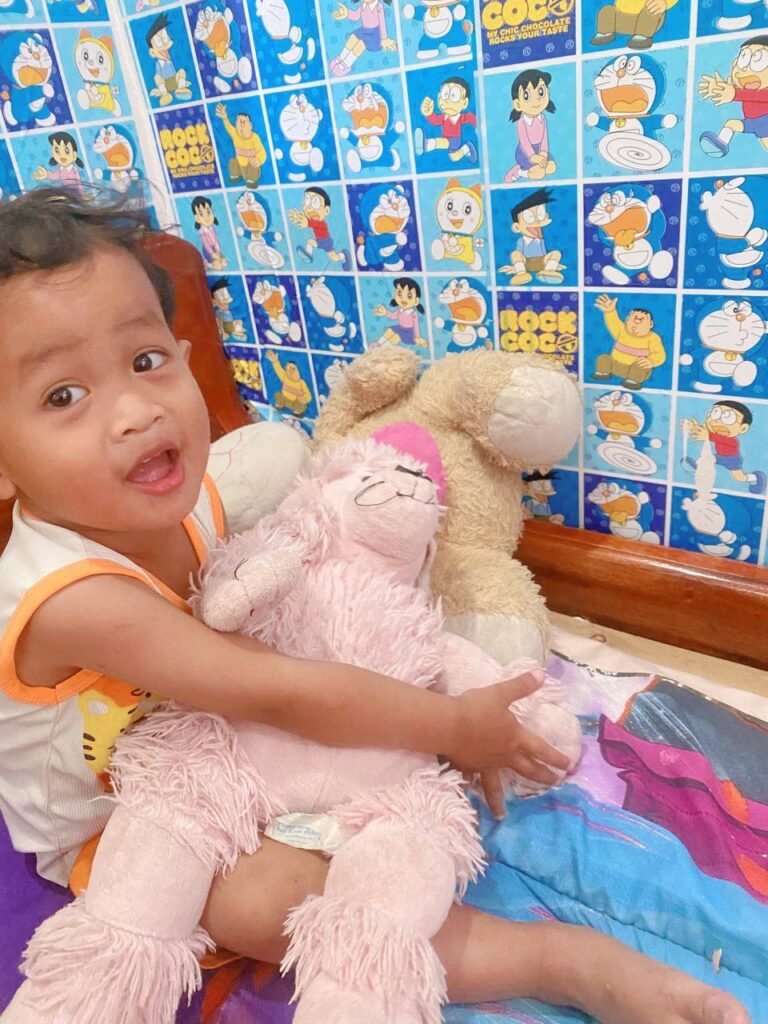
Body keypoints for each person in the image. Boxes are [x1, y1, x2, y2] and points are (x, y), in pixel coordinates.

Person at [0, 188, 748, 1024]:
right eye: (64, 397)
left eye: (145, 363)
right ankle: (560, 959)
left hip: (228, 747)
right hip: (122, 817)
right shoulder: (72, 597)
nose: (135, 412)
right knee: (266, 902)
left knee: (386, 813)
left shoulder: (182, 500)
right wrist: (454, 725)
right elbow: (279, 686)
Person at [683, 401, 766, 495]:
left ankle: (756, 477)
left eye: (727, 417)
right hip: (719, 456)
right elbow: (708, 432)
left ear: (743, 428)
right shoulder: (714, 433)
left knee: (739, 477)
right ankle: (698, 467)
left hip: (732, 460)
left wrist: (708, 436)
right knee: (707, 458)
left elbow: (718, 438)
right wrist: (693, 427)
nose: (717, 421)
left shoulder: (733, 441)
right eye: (715, 413)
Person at [592, 294, 666, 390]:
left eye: (642, 320)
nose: (637, 322)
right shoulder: (621, 330)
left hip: (635, 370)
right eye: (634, 318)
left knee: (641, 367)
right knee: (604, 358)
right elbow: (613, 322)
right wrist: (610, 311)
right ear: (627, 320)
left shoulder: (653, 338)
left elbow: (660, 354)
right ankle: (603, 373)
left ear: (650, 324)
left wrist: (651, 361)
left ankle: (633, 381)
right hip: (615, 365)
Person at [505, 69, 557, 184]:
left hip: (540, 150)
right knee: (539, 174)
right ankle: (519, 171)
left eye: (541, 92)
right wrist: (534, 157)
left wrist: (543, 153)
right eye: (527, 95)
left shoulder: (542, 118)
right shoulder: (522, 123)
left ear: (548, 92)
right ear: (518, 104)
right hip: (525, 152)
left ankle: (529, 167)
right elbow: (525, 143)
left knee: (552, 168)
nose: (537, 99)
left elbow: (544, 139)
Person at [215, 102, 267, 185]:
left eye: (244, 122)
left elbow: (262, 153)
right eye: (239, 122)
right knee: (233, 161)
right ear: (235, 124)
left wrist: (258, 160)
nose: (242, 124)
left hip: (250, 169)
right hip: (240, 166)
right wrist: (225, 118)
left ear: (250, 125)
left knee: (252, 167)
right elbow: (228, 126)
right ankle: (236, 176)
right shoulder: (235, 134)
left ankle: (251, 181)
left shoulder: (255, 138)